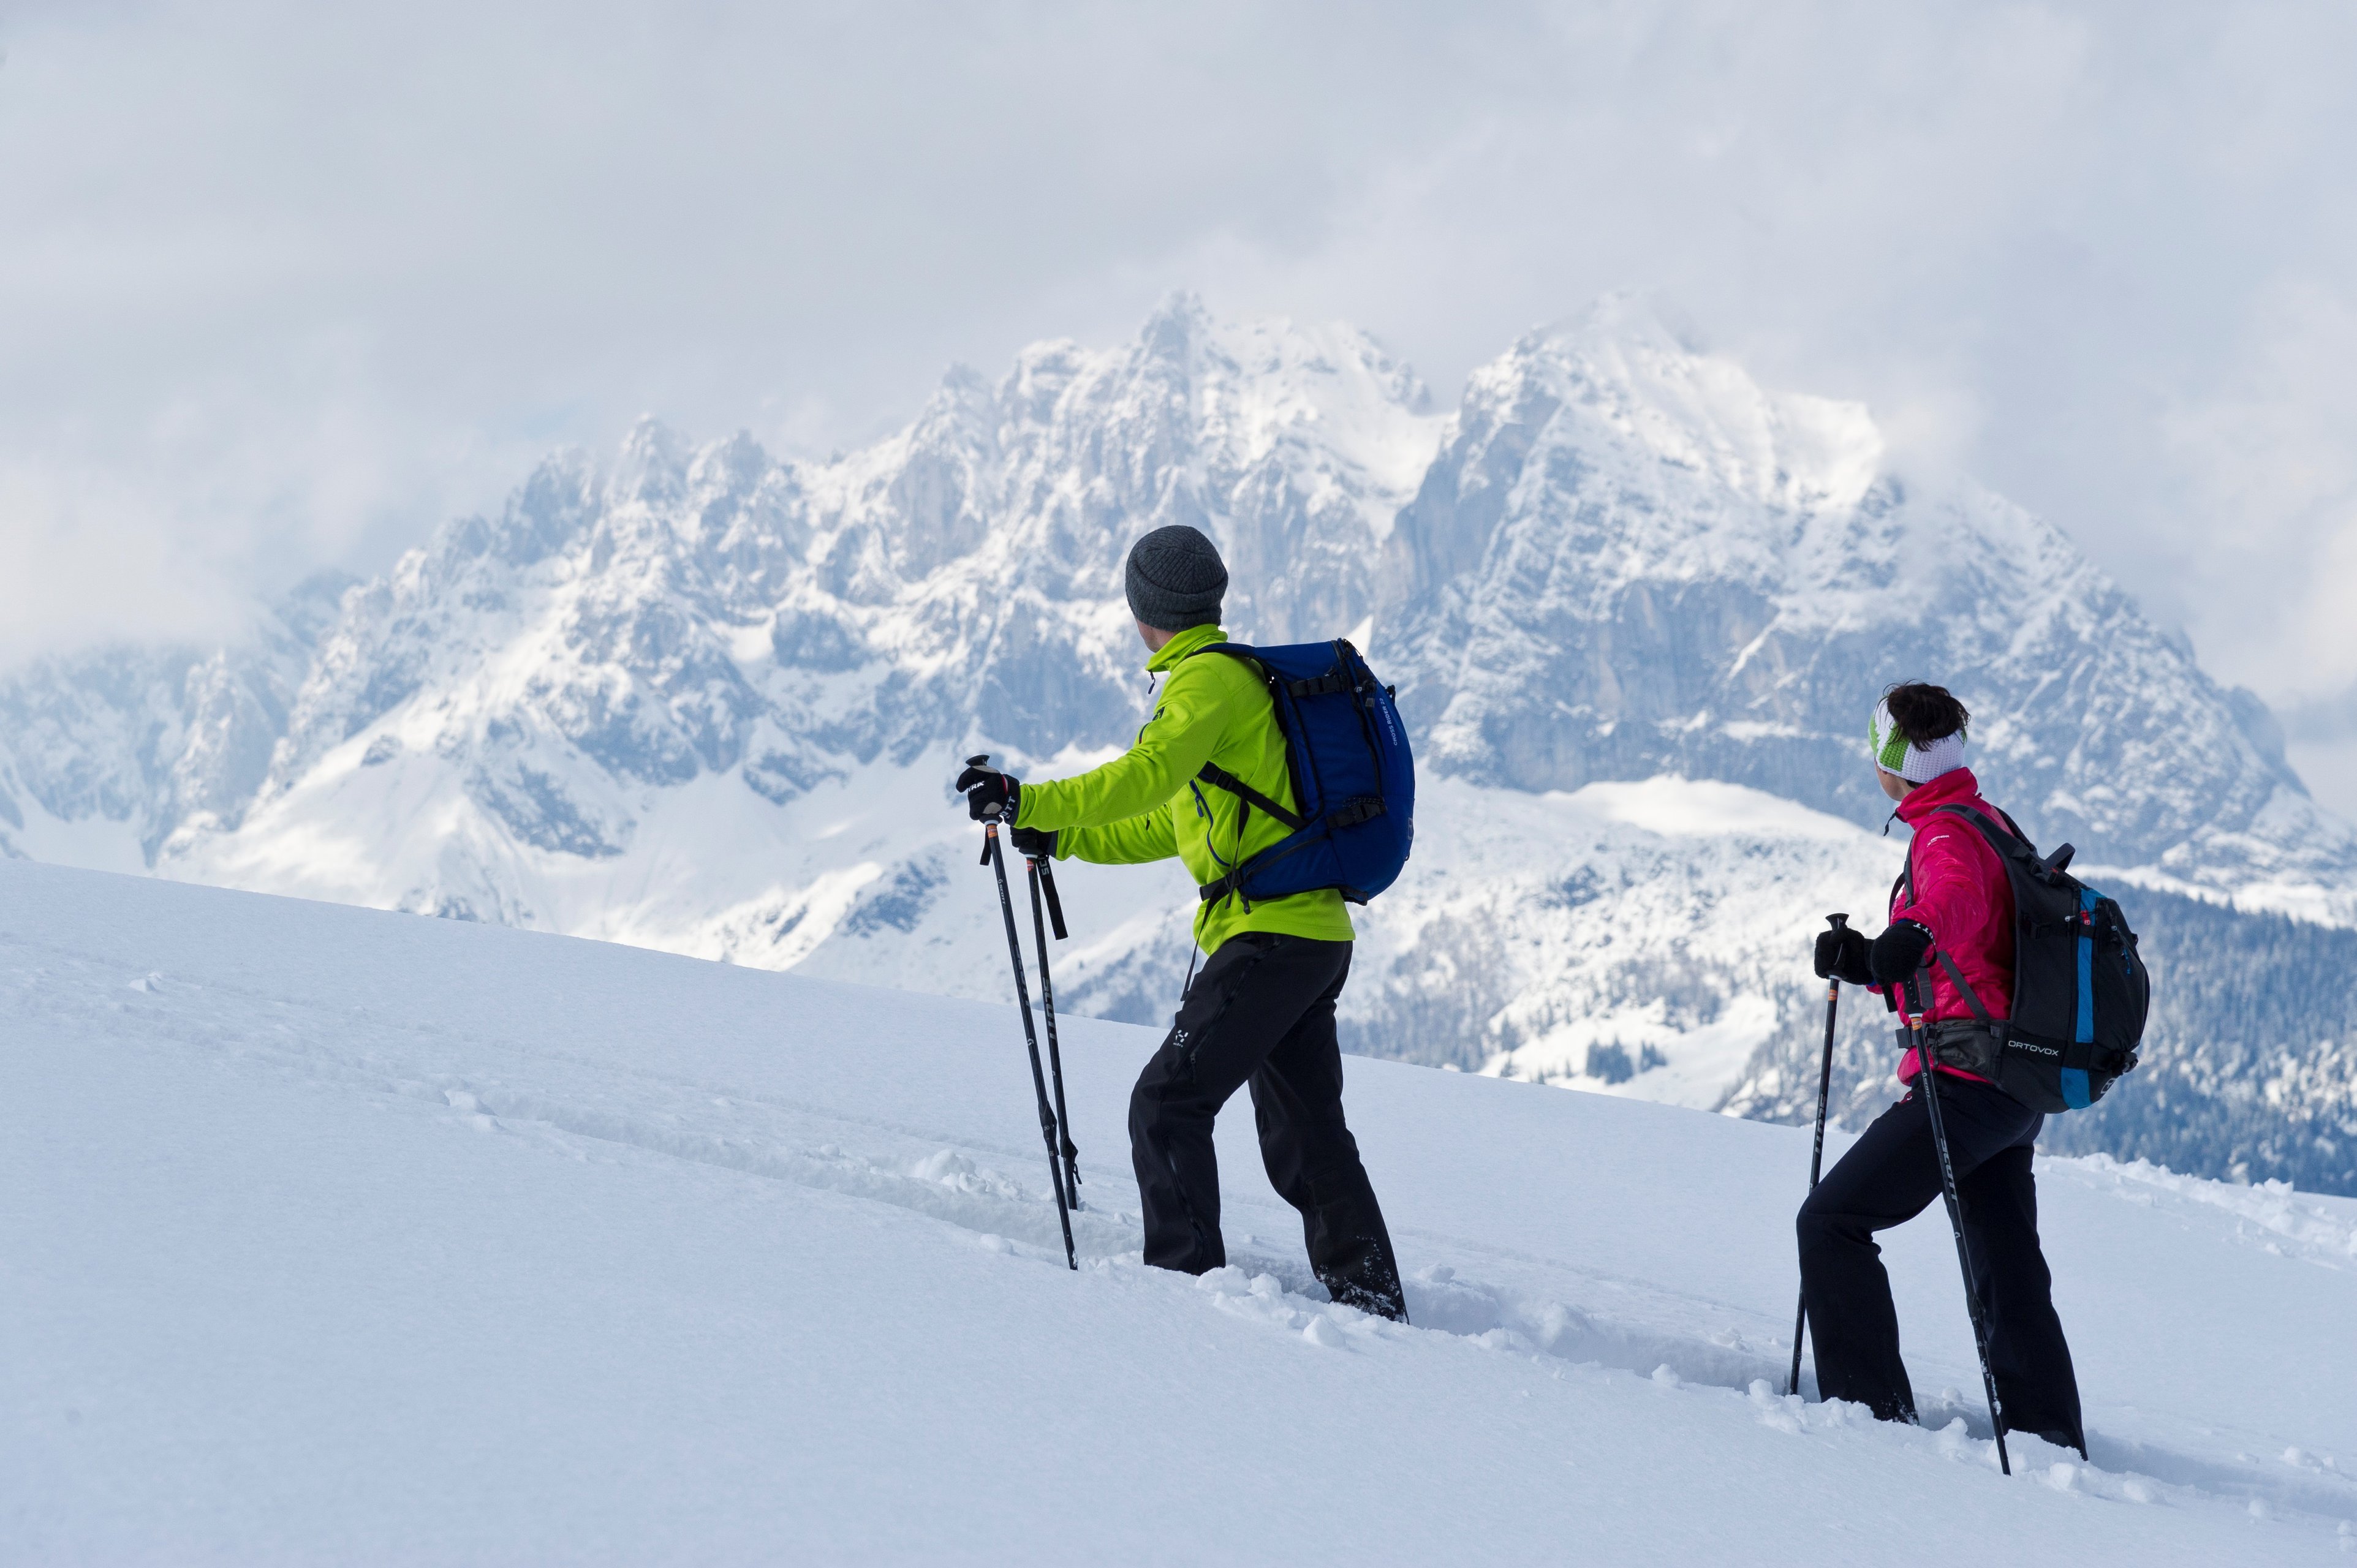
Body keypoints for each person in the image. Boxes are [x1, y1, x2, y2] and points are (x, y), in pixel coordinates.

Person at [953, 524, 1409, 1321]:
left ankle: (1183, 1300)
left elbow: (1144, 776)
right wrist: (1057, 833)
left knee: (1166, 1105)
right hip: (1306, 937)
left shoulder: (1204, 684)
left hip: (1269, 939)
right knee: (1304, 1131)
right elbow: (1166, 823)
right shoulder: (1227, 687)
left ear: (1142, 607)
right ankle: (1369, 1296)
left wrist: (1029, 799)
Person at [1799, 680, 2086, 1455]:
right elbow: (1964, 952)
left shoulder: (1944, 836)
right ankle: (2046, 1431)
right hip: (2012, 1082)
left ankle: (1870, 1420)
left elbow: (1948, 912)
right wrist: (1871, 960)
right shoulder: (1989, 820)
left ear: (1893, 764)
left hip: (1963, 1081)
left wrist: (1892, 942)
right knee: (2004, 1254)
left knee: (1830, 1222)